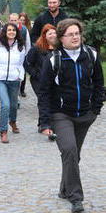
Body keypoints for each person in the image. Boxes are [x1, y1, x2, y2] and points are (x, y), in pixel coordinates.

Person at [38, 19, 104, 213]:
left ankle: (64, 189)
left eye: (77, 33)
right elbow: (44, 92)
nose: (75, 37)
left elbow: (99, 83)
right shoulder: (53, 59)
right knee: (69, 150)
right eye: (70, 34)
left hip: (85, 114)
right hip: (61, 114)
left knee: (74, 156)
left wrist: (96, 109)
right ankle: (76, 198)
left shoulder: (90, 55)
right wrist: (44, 122)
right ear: (61, 38)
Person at [24, 24, 57, 135]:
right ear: (44, 35)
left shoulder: (59, 48)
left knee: (51, 100)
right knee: (45, 100)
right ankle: (48, 127)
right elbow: (27, 63)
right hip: (38, 80)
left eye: (54, 32)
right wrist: (36, 74)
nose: (53, 35)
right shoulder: (37, 48)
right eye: (50, 33)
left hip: (53, 80)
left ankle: (42, 124)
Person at [8, 13, 31, 97]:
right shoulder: (5, 29)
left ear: (18, 20)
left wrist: (26, 55)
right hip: (9, 55)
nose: (13, 22)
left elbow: (28, 43)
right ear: (9, 20)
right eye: (12, 20)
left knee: (22, 73)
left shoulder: (24, 29)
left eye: (15, 20)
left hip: (21, 55)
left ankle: (21, 90)